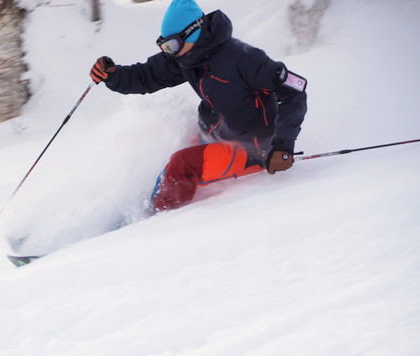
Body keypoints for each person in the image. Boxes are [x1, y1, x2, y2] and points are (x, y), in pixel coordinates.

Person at [90, 0, 308, 212]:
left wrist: (283, 147)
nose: (170, 51)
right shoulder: (185, 57)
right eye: (165, 46)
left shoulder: (245, 59)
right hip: (217, 131)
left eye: (172, 45)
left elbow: (295, 91)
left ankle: (157, 223)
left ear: (194, 32)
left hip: (253, 149)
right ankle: (151, 202)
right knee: (173, 152)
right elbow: (146, 76)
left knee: (181, 164)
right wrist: (113, 76)